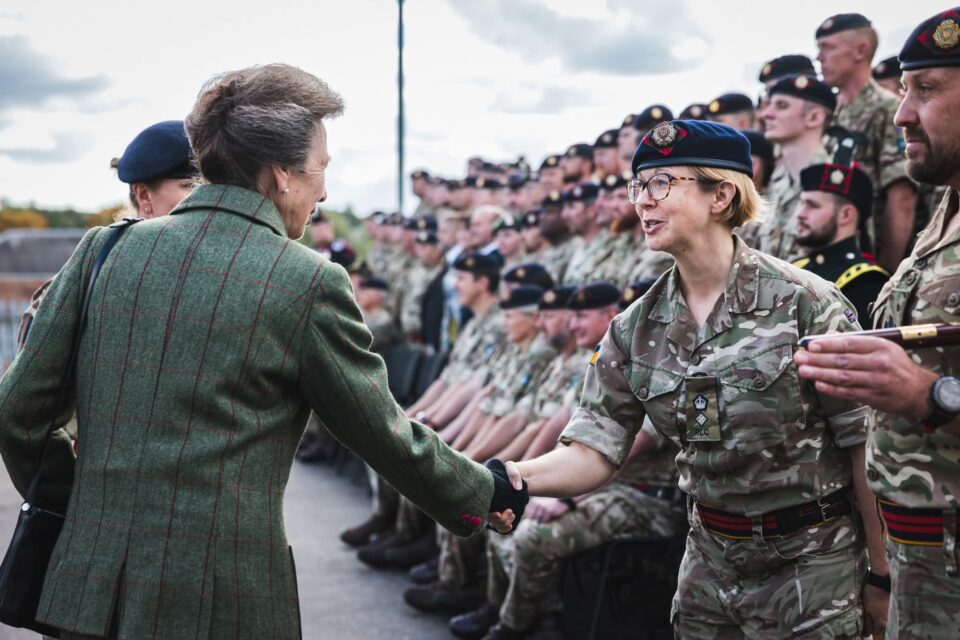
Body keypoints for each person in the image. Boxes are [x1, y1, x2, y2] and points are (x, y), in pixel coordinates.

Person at [0, 64, 526, 640]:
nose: (324, 190)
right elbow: (382, 431)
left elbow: (18, 411)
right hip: (222, 600)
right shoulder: (307, 281)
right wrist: (484, 491)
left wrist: (81, 507)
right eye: (320, 168)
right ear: (280, 176)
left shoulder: (106, 248)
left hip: (87, 589)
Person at [491, 120, 889, 638]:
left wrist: (881, 574)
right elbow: (592, 449)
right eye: (638, 186)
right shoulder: (633, 328)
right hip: (708, 565)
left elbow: (864, 447)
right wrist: (514, 475)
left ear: (721, 195)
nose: (642, 201)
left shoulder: (805, 303)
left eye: (662, 183)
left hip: (810, 569)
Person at [796, 10, 960, 636]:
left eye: (926, 90)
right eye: (903, 89)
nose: (900, 113)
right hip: (919, 561)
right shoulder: (946, 206)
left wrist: (927, 394)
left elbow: (929, 388)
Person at [816, 12, 918, 273]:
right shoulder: (831, 114)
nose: (819, 57)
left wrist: (884, 276)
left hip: (869, 260)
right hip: (830, 256)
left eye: (828, 48)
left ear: (860, 51)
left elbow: (901, 200)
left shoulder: (888, 109)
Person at [793, 139, 889, 323]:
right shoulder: (797, 267)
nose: (799, 214)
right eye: (801, 203)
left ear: (846, 215)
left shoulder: (865, 281)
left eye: (812, 206)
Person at [755, 74, 835, 260]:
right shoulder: (778, 178)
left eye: (782, 106)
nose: (766, 114)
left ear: (814, 117)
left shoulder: (834, 183)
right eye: (769, 105)